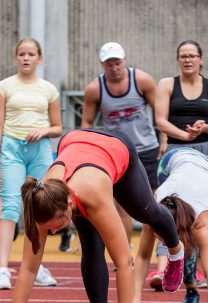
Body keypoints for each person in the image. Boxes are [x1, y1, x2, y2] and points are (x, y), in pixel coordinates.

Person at [0, 129, 184, 303]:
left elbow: (123, 262)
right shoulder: (40, 201)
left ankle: (176, 249)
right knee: (91, 247)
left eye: (56, 225)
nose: (51, 232)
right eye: (49, 228)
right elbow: (29, 268)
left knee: (146, 212)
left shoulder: (92, 193)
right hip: (75, 142)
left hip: (115, 148)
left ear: (69, 206)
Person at [151, 39, 208, 303]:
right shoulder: (167, 85)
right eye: (183, 56)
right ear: (177, 60)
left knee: (200, 225)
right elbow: (160, 121)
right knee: (173, 217)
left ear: (201, 59)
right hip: (176, 154)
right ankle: (188, 284)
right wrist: (185, 135)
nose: (188, 60)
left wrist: (204, 127)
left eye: (193, 56)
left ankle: (198, 280)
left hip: (207, 154)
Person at [0, 37, 62, 290]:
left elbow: (58, 127)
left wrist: (43, 131)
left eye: (31, 54)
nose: (26, 58)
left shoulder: (49, 89)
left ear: (39, 58)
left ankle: (36, 265)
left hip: (40, 150)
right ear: (16, 57)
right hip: (11, 149)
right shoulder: (4, 86)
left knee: (38, 207)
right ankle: (1, 269)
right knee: (9, 205)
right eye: (22, 54)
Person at [81, 41, 164, 252]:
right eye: (109, 64)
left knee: (154, 202)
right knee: (120, 206)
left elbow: (161, 113)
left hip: (146, 149)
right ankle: (125, 252)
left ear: (124, 60)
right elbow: (86, 123)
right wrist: (89, 149)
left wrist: (164, 140)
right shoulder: (94, 89)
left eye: (117, 62)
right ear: (102, 65)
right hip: (118, 153)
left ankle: (158, 251)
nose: (114, 68)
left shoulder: (142, 80)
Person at [133, 148, 208, 303]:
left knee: (195, 248)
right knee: (173, 243)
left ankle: (189, 281)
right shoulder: (151, 209)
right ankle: (176, 263)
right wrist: (135, 300)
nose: (160, 241)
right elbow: (142, 256)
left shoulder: (202, 223)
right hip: (172, 160)